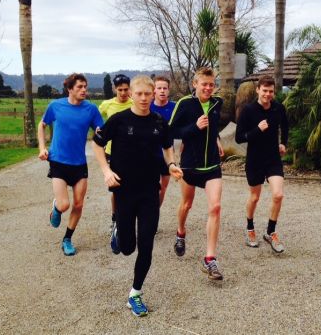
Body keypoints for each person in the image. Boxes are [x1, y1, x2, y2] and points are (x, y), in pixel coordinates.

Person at [92, 75, 183, 317]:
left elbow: (167, 146)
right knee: (127, 248)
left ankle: (135, 293)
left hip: (149, 191)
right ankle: (119, 231)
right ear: (131, 94)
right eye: (139, 94)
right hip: (124, 190)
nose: (143, 98)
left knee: (146, 244)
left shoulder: (158, 122)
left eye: (147, 94)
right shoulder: (119, 120)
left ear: (153, 94)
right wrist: (106, 170)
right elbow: (97, 143)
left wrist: (172, 164)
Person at [37, 73, 104, 256]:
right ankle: (57, 207)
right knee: (65, 204)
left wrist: (100, 132)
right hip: (58, 160)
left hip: (79, 164)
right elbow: (41, 125)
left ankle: (67, 239)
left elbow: (100, 128)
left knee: (79, 204)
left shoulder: (90, 109)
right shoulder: (56, 106)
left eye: (85, 87)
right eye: (80, 87)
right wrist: (42, 148)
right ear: (70, 89)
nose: (84, 90)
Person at [169, 67, 225, 280]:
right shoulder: (185, 104)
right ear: (195, 84)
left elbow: (214, 126)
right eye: (204, 84)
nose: (208, 88)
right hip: (190, 166)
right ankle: (181, 231)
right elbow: (171, 131)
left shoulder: (217, 102)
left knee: (216, 207)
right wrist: (194, 127)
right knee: (187, 204)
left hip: (212, 165)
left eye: (211, 84)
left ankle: (210, 259)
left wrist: (217, 139)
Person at [235, 75, 288, 253]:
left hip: (273, 158)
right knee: (255, 197)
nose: (267, 94)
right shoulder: (248, 110)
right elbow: (239, 137)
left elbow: (286, 126)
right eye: (264, 91)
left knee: (278, 195)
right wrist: (257, 130)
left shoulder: (278, 108)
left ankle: (270, 232)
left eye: (271, 91)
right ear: (258, 90)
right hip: (254, 160)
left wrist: (284, 143)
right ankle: (250, 228)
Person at [98, 74, 133, 237]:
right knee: (116, 189)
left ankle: (130, 219)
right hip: (112, 152)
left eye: (126, 89)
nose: (123, 93)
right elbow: (96, 119)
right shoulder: (107, 105)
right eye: (120, 90)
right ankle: (115, 218)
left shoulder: (135, 103)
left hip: (133, 152)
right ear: (114, 89)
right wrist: (99, 129)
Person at [150, 76, 176, 206]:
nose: (162, 91)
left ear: (168, 90)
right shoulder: (147, 107)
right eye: (159, 88)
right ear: (153, 90)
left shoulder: (175, 108)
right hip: (150, 154)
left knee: (162, 189)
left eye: (164, 88)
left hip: (168, 155)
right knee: (150, 188)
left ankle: (154, 214)